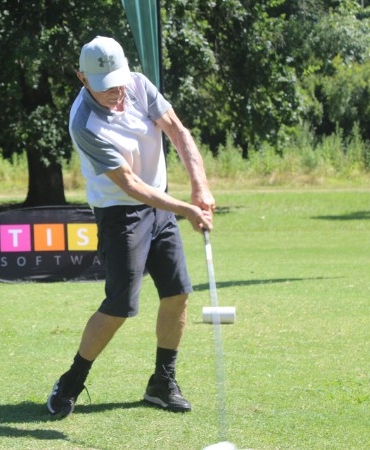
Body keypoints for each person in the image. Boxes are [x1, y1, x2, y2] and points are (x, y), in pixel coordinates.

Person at [46, 36, 215, 419]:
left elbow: (177, 131)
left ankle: (162, 383)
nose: (115, 92)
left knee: (177, 293)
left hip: (160, 206)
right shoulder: (84, 123)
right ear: (82, 78)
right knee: (120, 305)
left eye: (118, 81)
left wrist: (200, 185)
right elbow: (131, 185)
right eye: (105, 86)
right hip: (120, 213)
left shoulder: (138, 85)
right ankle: (71, 380)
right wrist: (186, 209)